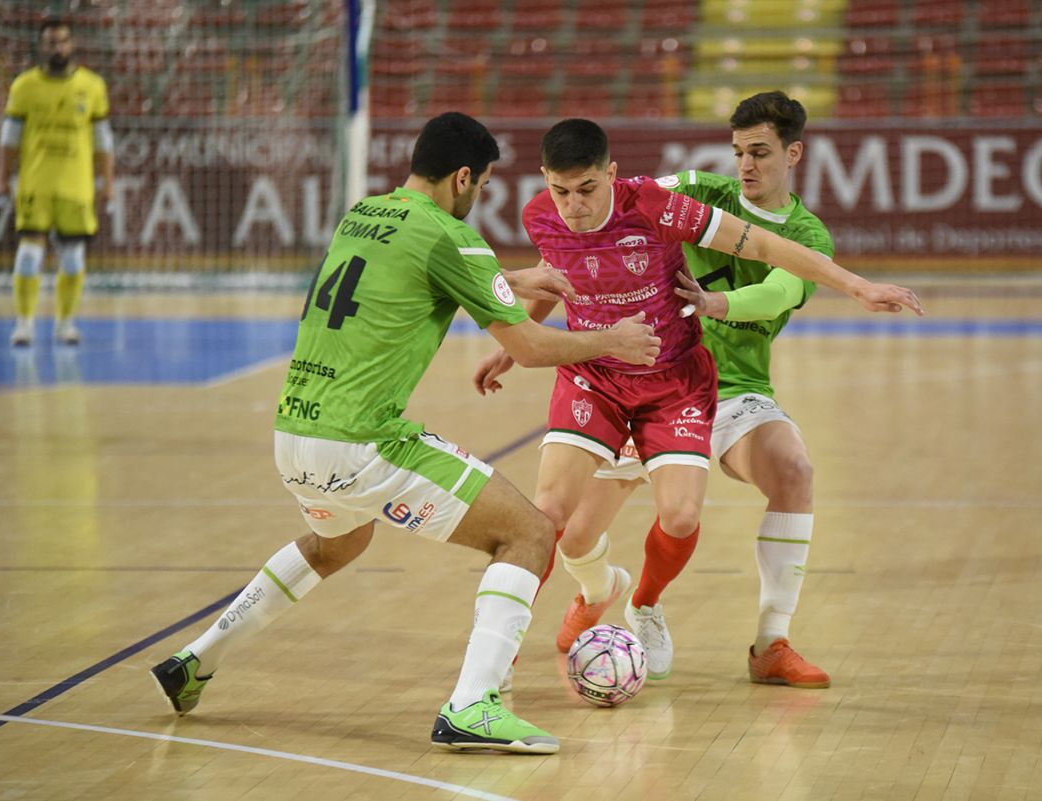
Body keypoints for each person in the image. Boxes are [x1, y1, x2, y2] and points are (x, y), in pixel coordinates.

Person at [149, 112, 661, 756]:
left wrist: (516, 280)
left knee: (337, 543)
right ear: (464, 177)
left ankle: (195, 660)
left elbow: (417, 272)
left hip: (295, 433)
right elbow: (527, 347)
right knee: (529, 532)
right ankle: (473, 705)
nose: (478, 200)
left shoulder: (363, 213)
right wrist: (615, 339)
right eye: (480, 187)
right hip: (363, 443)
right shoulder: (451, 237)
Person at [473, 118, 922, 682]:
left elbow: (763, 246)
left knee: (682, 516)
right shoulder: (540, 214)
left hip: (674, 383)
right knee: (552, 520)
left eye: (587, 189)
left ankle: (645, 605)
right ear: (544, 180)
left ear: (610, 175)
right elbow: (554, 281)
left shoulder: (659, 206)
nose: (575, 206)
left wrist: (858, 286)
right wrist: (514, 348)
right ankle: (500, 658)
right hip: (594, 378)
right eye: (561, 190)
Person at [549, 92, 856, 690]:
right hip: (641, 379)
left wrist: (714, 302)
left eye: (761, 152)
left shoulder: (806, 236)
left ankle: (763, 640)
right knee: (576, 534)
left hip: (733, 391)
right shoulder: (695, 191)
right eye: (739, 151)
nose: (746, 164)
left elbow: (775, 294)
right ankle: (597, 589)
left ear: (794, 153)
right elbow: (617, 204)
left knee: (793, 469)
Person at [0, 17, 114, 347]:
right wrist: (2, 180)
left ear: (71, 44)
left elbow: (103, 141)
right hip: (36, 185)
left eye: (62, 41)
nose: (57, 47)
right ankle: (24, 324)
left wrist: (109, 182)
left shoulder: (92, 86)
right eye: (50, 42)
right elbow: (10, 138)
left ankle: (65, 323)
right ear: (41, 46)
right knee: (29, 254)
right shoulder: (24, 87)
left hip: (76, 187)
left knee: (73, 258)